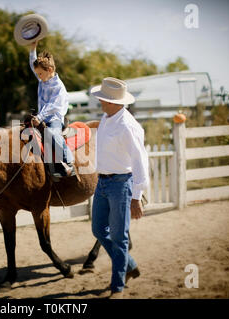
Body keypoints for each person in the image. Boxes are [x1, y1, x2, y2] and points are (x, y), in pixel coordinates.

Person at [90, 77, 149, 299]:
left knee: (119, 237)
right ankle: (129, 265)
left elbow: (140, 161)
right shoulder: (107, 117)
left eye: (103, 99)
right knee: (98, 229)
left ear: (115, 102)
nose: (100, 102)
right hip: (103, 182)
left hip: (121, 185)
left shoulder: (128, 126)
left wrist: (136, 197)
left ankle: (117, 288)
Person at [28, 40, 75, 177]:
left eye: (40, 74)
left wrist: (39, 117)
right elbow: (33, 65)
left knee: (52, 134)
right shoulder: (43, 79)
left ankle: (68, 162)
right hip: (40, 116)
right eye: (37, 74)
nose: (38, 76)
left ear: (50, 70)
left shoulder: (59, 87)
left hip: (54, 118)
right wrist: (33, 49)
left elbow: (53, 106)